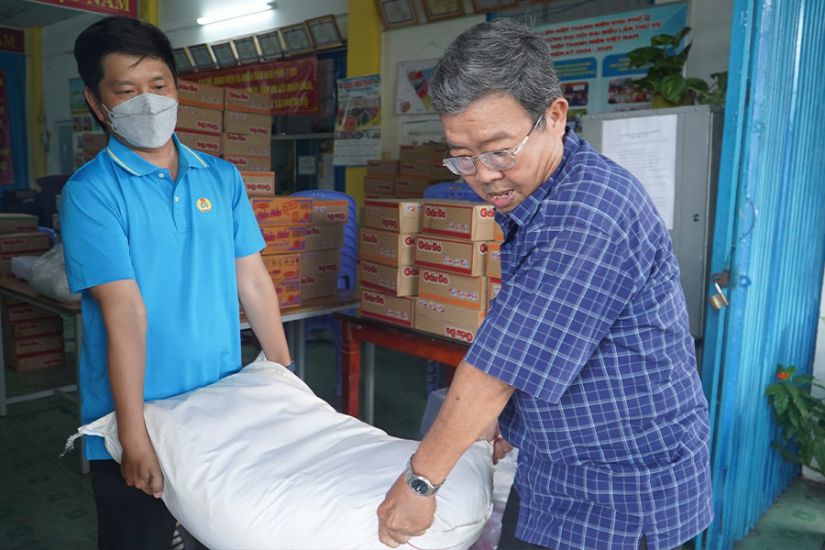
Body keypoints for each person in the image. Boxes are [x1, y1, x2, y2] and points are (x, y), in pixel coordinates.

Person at [377, 19, 712, 550]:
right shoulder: (542, 192)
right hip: (561, 464)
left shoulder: (586, 214)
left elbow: (497, 368)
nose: (482, 175)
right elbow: (547, 335)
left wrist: (419, 484)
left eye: (497, 150)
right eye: (461, 156)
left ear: (555, 116)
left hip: (617, 493)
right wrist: (511, 420)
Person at [62, 16, 292, 549]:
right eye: (126, 90)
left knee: (216, 533)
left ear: (177, 88)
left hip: (219, 405)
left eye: (158, 86)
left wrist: (283, 377)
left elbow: (252, 280)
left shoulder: (220, 176)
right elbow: (124, 312)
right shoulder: (90, 193)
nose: (148, 101)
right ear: (98, 104)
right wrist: (134, 433)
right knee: (139, 539)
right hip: (136, 415)